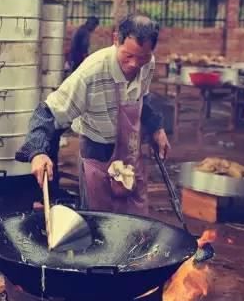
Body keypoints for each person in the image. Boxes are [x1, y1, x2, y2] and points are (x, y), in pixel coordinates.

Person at [16, 13, 170, 216]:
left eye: (142, 57)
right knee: (100, 220)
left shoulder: (147, 64)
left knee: (137, 219)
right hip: (97, 151)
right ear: (116, 40)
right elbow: (47, 112)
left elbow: (143, 98)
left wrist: (157, 129)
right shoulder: (91, 73)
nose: (134, 64)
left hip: (131, 151)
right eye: (128, 56)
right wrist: (38, 152)